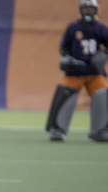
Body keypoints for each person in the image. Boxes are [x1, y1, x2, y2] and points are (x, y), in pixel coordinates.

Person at [46, 0, 108, 142]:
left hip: (94, 72)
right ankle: (59, 129)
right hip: (75, 71)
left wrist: (104, 54)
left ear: (95, 10)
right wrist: (67, 58)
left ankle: (100, 130)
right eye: (85, 8)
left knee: (103, 98)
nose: (88, 11)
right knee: (65, 98)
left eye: (90, 8)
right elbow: (64, 47)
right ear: (81, 9)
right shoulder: (73, 27)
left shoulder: (101, 28)